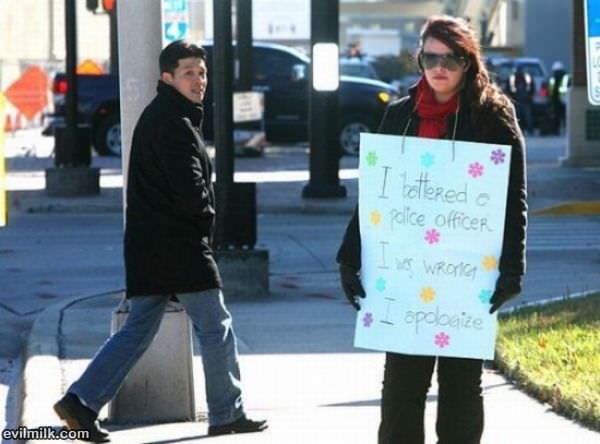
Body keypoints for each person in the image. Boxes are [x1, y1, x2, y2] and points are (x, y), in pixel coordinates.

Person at [53, 40, 267, 442]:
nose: (199, 80)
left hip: (155, 246)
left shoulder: (167, 116)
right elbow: (189, 192)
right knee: (215, 325)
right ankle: (226, 412)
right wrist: (205, 221)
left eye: (202, 73)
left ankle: (81, 403)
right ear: (166, 77)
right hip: (179, 246)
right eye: (188, 72)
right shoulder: (172, 122)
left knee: (137, 330)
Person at [337, 15, 527, 444]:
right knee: (402, 388)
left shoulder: (493, 117)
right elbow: (374, 197)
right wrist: (349, 258)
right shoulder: (400, 115)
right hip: (406, 279)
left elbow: (513, 199)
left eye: (452, 59)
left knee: (462, 387)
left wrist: (512, 269)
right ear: (420, 59)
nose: (440, 67)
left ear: (469, 62)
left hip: (466, 277)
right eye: (431, 57)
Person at [508, 65, 535, 134]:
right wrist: (512, 98)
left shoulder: (527, 78)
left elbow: (532, 88)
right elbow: (509, 89)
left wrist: (529, 97)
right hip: (517, 101)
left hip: (526, 101)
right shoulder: (513, 78)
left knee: (528, 117)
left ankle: (530, 130)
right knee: (518, 117)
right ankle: (520, 130)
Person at [549, 61, 568, 134]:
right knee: (563, 116)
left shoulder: (553, 78)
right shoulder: (566, 77)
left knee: (557, 116)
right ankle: (564, 130)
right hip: (564, 100)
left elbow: (551, 90)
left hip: (557, 100)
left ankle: (556, 130)